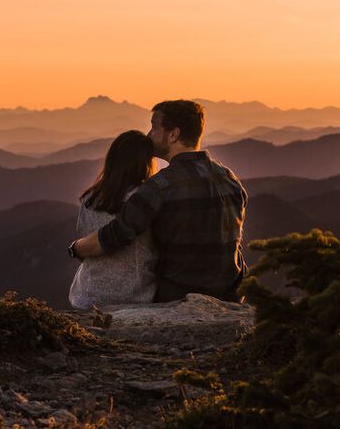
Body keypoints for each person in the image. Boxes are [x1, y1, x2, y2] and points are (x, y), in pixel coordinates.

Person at [71, 100, 248, 303]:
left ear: (173, 135)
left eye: (154, 127)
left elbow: (114, 236)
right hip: (230, 294)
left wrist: (76, 248)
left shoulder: (160, 186)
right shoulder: (230, 179)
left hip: (179, 297)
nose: (149, 134)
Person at [68, 130, 158, 308]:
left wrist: (75, 248)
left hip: (88, 296)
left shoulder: (90, 198)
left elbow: (87, 246)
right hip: (135, 297)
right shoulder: (146, 199)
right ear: (146, 162)